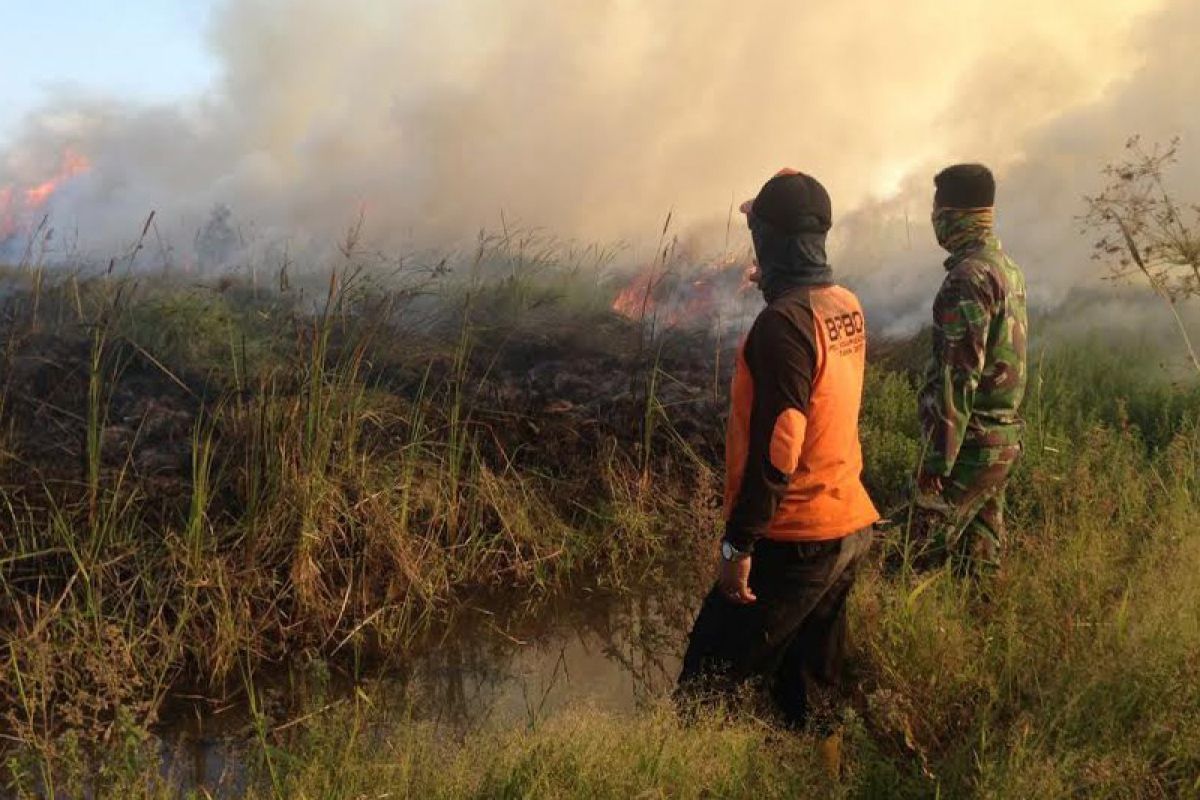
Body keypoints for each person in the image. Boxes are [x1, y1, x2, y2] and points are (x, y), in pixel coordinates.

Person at [676, 169, 879, 771]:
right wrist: (779, 285)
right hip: (849, 526)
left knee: (707, 685)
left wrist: (739, 544)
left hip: (795, 537)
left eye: (755, 230)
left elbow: (781, 446)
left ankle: (685, 779)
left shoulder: (782, 326)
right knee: (810, 685)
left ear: (769, 237)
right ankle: (826, 780)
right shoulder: (840, 304)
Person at [914, 163, 1028, 571]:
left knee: (911, 553)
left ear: (953, 215)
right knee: (978, 566)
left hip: (970, 448)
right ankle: (984, 629)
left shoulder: (967, 278)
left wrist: (937, 462)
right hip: (1000, 440)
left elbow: (957, 376)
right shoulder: (1006, 268)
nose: (933, 220)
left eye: (936, 209)